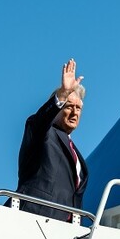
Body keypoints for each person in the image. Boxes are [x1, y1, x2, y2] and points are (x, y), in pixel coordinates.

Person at [13, 58, 88, 220]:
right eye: (69, 106)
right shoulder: (44, 134)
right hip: (34, 217)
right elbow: (37, 123)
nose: (74, 112)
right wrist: (62, 94)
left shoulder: (76, 155)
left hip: (63, 227)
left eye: (78, 108)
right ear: (58, 109)